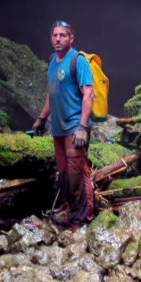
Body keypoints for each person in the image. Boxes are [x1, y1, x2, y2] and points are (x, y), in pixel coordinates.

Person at [31, 20, 94, 228]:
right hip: (58, 128)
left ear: (71, 38)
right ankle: (71, 212)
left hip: (75, 127)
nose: (58, 39)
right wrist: (41, 118)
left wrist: (83, 127)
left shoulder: (78, 60)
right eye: (55, 35)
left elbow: (88, 95)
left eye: (62, 35)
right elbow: (52, 93)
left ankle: (82, 219)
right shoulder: (52, 61)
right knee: (64, 173)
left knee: (77, 174)